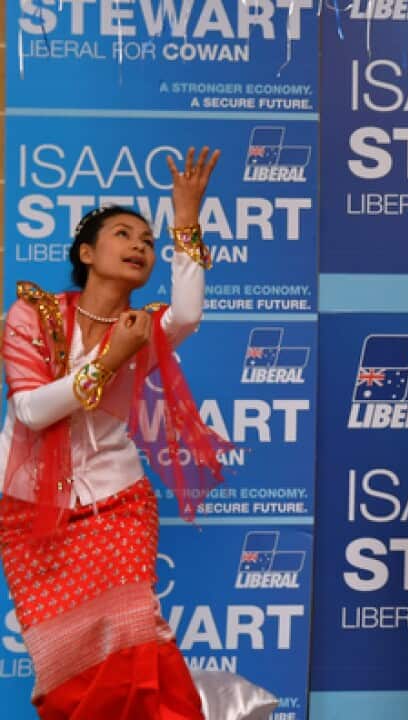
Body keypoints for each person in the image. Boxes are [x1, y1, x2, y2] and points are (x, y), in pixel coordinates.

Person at [0, 148, 230, 719]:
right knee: (65, 665)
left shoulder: (142, 328)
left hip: (117, 501)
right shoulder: (32, 315)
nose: (138, 246)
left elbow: (190, 313)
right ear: (86, 253)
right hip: (27, 508)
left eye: (148, 242)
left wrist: (186, 219)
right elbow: (30, 411)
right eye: (123, 235)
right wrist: (109, 361)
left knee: (131, 645)